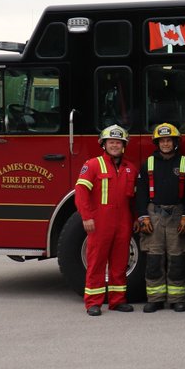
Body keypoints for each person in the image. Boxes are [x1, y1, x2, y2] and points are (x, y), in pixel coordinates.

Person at [75, 125, 138, 316]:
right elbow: (81, 193)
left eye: (118, 142)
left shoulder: (131, 169)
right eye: (111, 142)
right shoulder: (93, 165)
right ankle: (93, 302)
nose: (115, 145)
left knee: (120, 263)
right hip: (100, 222)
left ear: (124, 145)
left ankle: (117, 301)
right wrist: (86, 217)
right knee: (96, 262)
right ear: (104, 144)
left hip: (123, 222)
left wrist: (136, 218)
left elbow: (135, 199)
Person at [134, 123, 185, 313]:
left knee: (177, 258)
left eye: (169, 140)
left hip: (177, 214)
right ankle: (155, 299)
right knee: (154, 258)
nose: (166, 144)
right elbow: (141, 192)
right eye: (162, 141)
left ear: (175, 142)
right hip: (154, 215)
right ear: (157, 143)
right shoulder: (148, 163)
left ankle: (177, 299)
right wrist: (143, 217)